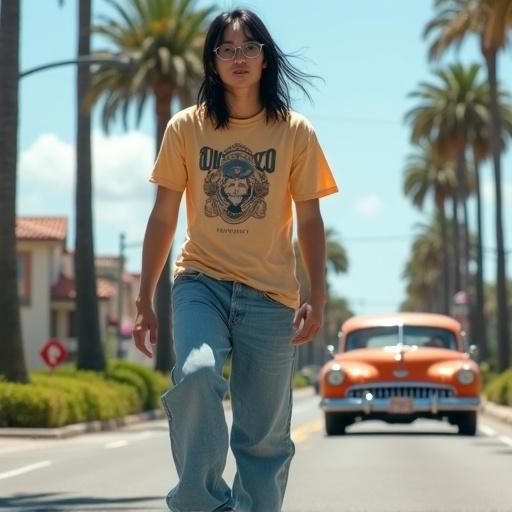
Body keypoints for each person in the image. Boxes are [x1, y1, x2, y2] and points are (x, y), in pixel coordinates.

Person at [132, 8, 338, 512]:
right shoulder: (186, 128)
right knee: (198, 374)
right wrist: (143, 299)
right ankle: (202, 502)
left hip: (271, 296)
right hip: (202, 281)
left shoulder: (295, 131)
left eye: (248, 47)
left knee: (263, 438)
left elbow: (309, 220)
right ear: (213, 62)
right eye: (226, 48)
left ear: (265, 58)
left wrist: (317, 295)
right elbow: (163, 217)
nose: (238, 57)